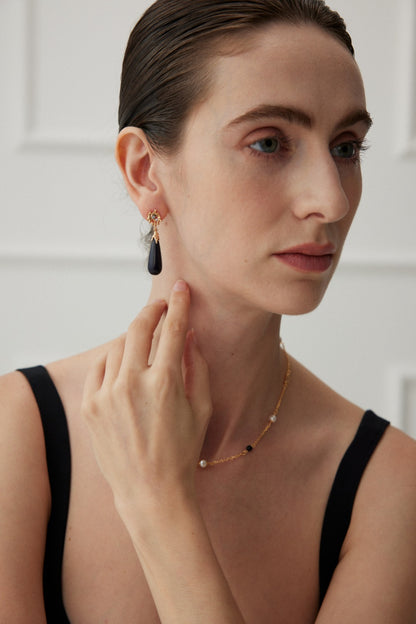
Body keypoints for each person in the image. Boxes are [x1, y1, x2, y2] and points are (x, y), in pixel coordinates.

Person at [1, 0, 416, 622]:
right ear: (145, 171)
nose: (330, 199)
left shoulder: (391, 488)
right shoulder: (17, 434)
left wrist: (159, 503)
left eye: (347, 147)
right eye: (270, 142)